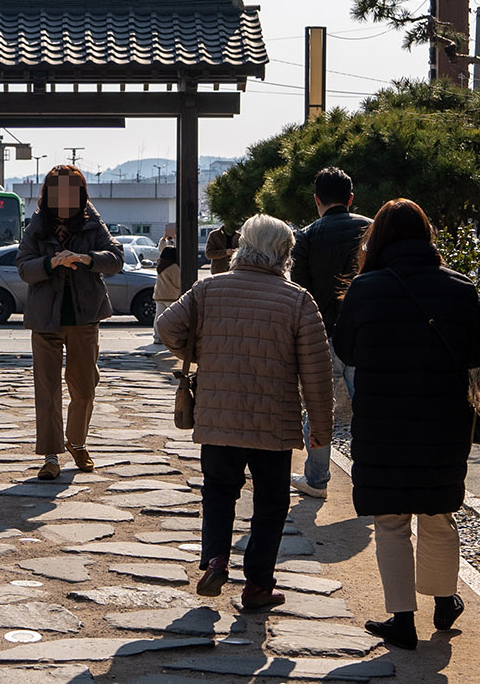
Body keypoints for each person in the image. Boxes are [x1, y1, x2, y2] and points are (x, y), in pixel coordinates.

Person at [331, 198, 480, 648]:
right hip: (442, 419)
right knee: (439, 512)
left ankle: (402, 620)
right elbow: (478, 352)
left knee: (391, 519)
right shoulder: (459, 287)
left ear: (377, 238)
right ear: (427, 235)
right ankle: (444, 600)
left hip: (383, 421)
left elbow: (346, 350)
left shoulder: (366, 288)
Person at [152, 214, 334, 615]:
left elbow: (166, 327)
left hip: (218, 416)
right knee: (270, 502)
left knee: (219, 491)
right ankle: (257, 586)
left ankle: (216, 559)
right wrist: (321, 429)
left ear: (242, 247)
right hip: (274, 420)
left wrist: (197, 354)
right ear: (285, 253)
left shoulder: (207, 289)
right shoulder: (298, 300)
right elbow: (317, 374)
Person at [15, 163, 122, 480]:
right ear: (47, 195)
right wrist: (50, 263)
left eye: (70, 192)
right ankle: (50, 456)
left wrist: (88, 259)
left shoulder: (92, 222)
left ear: (80, 194)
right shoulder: (36, 226)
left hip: (84, 316)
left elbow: (116, 258)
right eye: (56, 192)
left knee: (85, 387)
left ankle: (76, 441)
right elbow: (23, 267)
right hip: (44, 318)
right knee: (46, 390)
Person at [289, 167, 368, 491]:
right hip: (366, 335)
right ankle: (370, 478)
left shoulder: (306, 236)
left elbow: (299, 289)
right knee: (369, 408)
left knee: (319, 408)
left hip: (323, 336)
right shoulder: (371, 229)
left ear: (316, 200)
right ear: (350, 198)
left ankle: (317, 478)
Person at [151, 244, 183, 314]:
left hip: (159, 295)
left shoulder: (160, 265)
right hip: (171, 296)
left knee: (158, 317)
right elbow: (178, 283)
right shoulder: (173, 267)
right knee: (171, 318)